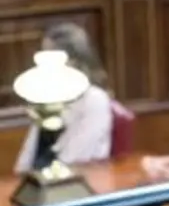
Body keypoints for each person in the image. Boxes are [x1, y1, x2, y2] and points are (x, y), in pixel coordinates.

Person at [14, 23, 114, 173]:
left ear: (73, 60)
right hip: (38, 182)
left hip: (78, 184)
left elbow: (75, 158)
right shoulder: (46, 95)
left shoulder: (94, 100)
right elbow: (27, 157)